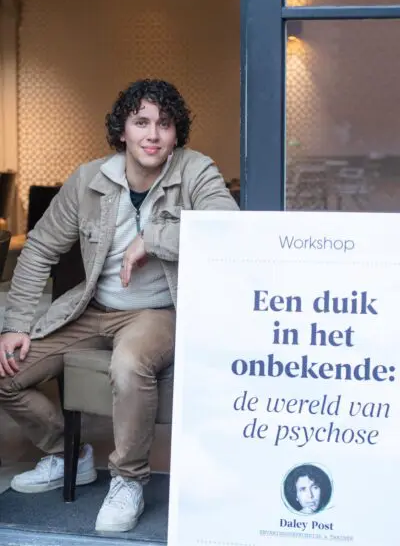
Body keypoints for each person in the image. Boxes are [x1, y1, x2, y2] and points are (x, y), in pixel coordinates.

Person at [0, 79, 239, 533]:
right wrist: (15, 325)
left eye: (164, 124)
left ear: (176, 132)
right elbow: (40, 249)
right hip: (92, 309)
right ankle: (66, 454)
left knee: (129, 363)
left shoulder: (195, 170)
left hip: (159, 312)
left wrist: (153, 239)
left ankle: (128, 480)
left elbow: (226, 228)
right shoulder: (89, 180)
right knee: (5, 369)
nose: (153, 134)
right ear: (122, 130)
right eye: (141, 122)